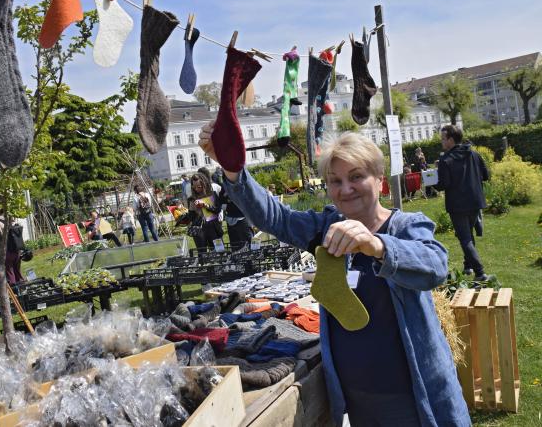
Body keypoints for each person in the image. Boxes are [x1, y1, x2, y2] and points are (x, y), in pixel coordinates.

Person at [199, 121, 469, 427]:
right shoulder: (326, 227)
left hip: (412, 398)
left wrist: (377, 245)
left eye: (356, 177)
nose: (345, 189)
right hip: (358, 402)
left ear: (379, 179)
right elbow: (276, 218)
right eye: (335, 181)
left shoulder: (405, 226)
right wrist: (233, 169)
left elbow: (435, 265)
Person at [435, 125, 489, 281]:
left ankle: (480, 272)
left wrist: (431, 182)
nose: (442, 142)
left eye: (443, 139)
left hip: (458, 205)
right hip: (474, 201)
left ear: (451, 140)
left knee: (465, 238)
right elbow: (485, 175)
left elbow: (443, 184)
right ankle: (468, 266)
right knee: (468, 235)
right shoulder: (474, 153)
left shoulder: (446, 160)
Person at [187, 173, 223, 252]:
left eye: (199, 186)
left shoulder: (212, 194)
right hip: (199, 230)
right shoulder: (191, 199)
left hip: (214, 228)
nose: (196, 189)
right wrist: (193, 209)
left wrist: (206, 206)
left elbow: (218, 210)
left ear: (204, 184)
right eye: (194, 187)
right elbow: (191, 218)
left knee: (219, 252)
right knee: (202, 254)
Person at [218, 186, 253, 251]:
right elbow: (221, 202)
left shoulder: (241, 184)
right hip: (230, 219)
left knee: (247, 243)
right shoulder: (225, 186)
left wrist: (228, 205)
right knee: (235, 244)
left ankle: (249, 259)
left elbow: (242, 203)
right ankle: (237, 260)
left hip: (242, 218)